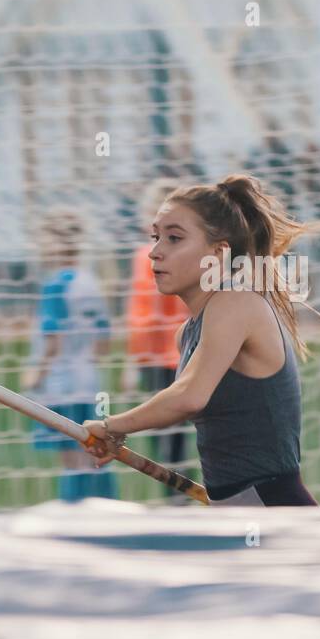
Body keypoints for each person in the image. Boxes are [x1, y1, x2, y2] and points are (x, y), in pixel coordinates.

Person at [81, 174, 320, 506]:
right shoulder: (189, 330)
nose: (154, 253)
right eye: (155, 237)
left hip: (273, 511)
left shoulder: (235, 302)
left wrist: (113, 426)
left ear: (219, 252)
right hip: (236, 511)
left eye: (174, 238)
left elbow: (189, 396)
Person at [24, 209, 116, 501]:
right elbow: (104, 340)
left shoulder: (56, 284)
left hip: (61, 385)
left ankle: (74, 513)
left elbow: (53, 341)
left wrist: (34, 376)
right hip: (89, 380)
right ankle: (105, 506)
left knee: (71, 460)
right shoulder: (90, 281)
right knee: (94, 455)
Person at [122, 179, 190, 481]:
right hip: (184, 351)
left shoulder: (145, 257)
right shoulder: (191, 253)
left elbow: (144, 316)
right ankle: (182, 496)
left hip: (163, 355)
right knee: (176, 435)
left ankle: (177, 498)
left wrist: (134, 361)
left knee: (164, 434)